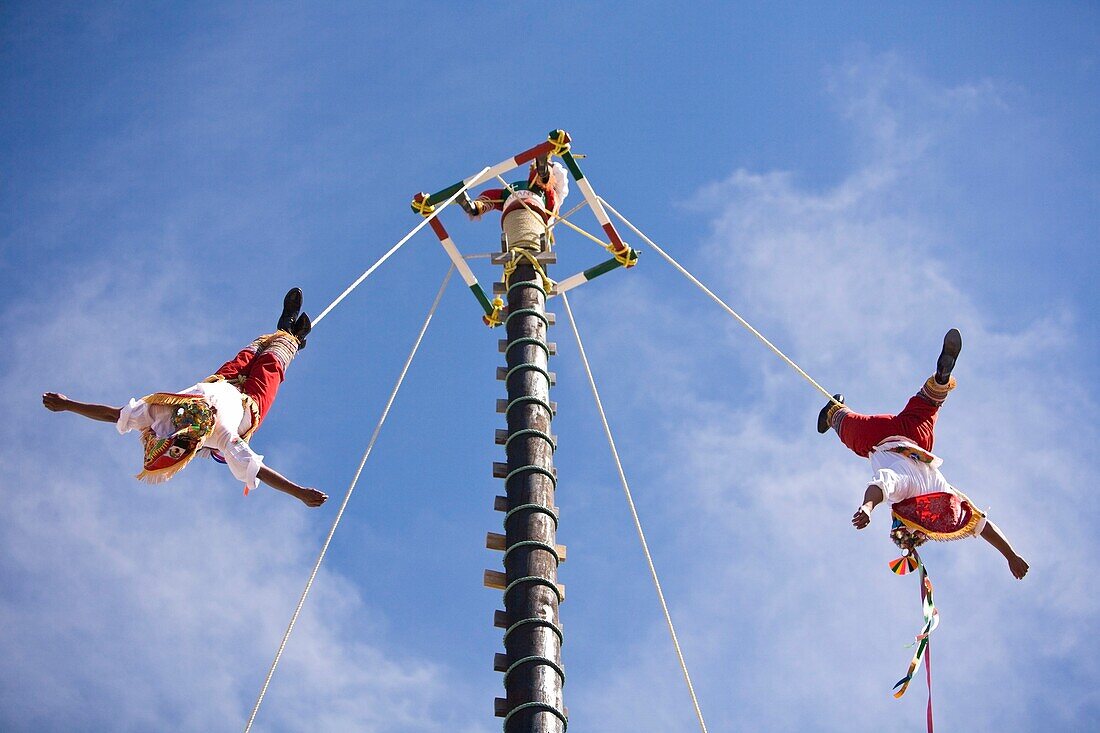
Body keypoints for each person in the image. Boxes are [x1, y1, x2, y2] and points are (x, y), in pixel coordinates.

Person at [42, 288, 327, 508]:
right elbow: (258, 470)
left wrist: (67, 404)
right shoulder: (221, 437)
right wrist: (299, 492)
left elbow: (113, 415)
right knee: (271, 365)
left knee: (249, 354)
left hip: (221, 383)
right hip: (249, 407)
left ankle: (286, 328)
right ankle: (292, 337)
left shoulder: (160, 413)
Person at [818, 328, 1028, 579]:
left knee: (929, 404)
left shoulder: (939, 492)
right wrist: (867, 508)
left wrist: (1011, 555)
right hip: (879, 436)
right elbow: (879, 487)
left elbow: (981, 525)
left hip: (918, 437)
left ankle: (941, 380)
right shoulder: (903, 492)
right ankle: (834, 413)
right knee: (851, 433)